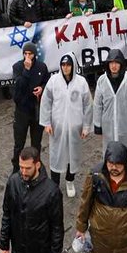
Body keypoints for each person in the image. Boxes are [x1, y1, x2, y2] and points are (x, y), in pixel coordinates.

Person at [0, 146, 65, 253]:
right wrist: (3, 244)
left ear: (38, 165)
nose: (23, 171)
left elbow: (57, 228)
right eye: (21, 167)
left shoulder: (52, 191)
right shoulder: (13, 182)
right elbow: (7, 214)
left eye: (27, 168)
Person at [39, 53, 92, 197]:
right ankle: (54, 184)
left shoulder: (81, 82)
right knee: (56, 155)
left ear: (73, 65)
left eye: (68, 65)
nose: (65, 67)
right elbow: (46, 102)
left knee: (73, 155)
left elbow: (87, 105)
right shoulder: (53, 81)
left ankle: (70, 180)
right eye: (63, 65)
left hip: (75, 128)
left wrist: (86, 126)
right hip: (57, 128)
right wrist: (46, 123)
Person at [93, 49, 127, 165]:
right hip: (108, 127)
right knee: (110, 155)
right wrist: (98, 124)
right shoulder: (102, 81)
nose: (114, 66)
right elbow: (97, 105)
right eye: (111, 63)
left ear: (121, 64)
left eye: (116, 63)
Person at [11, 42, 49, 168]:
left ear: (34, 54)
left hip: (36, 110)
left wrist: (42, 88)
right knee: (19, 144)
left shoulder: (41, 67)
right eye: (25, 54)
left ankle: (35, 165)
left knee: (36, 143)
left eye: (30, 54)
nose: (27, 56)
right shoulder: (17, 67)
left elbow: (47, 81)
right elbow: (18, 87)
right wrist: (26, 71)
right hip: (22, 110)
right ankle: (16, 168)